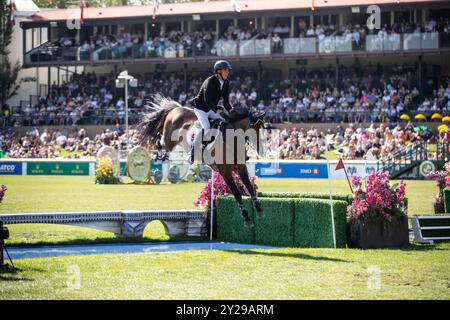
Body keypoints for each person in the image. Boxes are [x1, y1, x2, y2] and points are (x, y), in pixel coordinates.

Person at [189, 60, 234, 162]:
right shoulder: (210, 81)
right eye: (225, 70)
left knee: (225, 123)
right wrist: (217, 109)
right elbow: (207, 100)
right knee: (207, 127)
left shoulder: (226, 82)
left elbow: (226, 102)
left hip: (210, 108)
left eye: (228, 70)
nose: (228, 72)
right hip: (201, 108)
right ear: (218, 71)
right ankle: (193, 151)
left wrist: (231, 111)